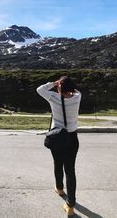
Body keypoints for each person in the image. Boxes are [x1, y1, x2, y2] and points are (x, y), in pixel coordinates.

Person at [36, 76, 81, 216]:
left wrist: (54, 84)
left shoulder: (53, 97)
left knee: (57, 163)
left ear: (60, 87)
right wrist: (66, 85)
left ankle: (60, 189)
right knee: (70, 170)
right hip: (72, 137)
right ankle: (70, 206)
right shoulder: (78, 97)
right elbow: (75, 90)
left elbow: (40, 89)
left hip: (57, 136)